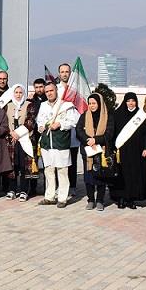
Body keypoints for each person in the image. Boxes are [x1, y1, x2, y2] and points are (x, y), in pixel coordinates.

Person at [36, 82, 77, 208]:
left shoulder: (66, 105)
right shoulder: (43, 105)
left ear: (56, 91)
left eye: (51, 90)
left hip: (60, 142)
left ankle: (62, 198)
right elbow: (39, 120)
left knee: (62, 171)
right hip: (47, 143)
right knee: (48, 170)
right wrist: (41, 127)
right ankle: (49, 196)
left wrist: (60, 124)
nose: (49, 93)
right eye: (47, 91)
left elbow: (73, 121)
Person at [109, 92, 146, 209]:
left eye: (133, 101)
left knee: (134, 175)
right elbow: (112, 133)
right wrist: (111, 148)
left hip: (137, 152)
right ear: (125, 102)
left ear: (136, 102)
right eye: (128, 101)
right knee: (121, 175)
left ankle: (131, 199)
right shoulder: (117, 115)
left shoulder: (142, 117)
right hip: (120, 152)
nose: (131, 103)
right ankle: (121, 198)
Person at [76, 93, 116, 211]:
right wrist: (88, 140)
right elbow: (78, 130)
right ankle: (90, 199)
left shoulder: (108, 117)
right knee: (88, 177)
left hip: (101, 151)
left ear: (100, 103)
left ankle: (100, 200)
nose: (92, 106)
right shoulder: (84, 116)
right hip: (87, 151)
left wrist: (96, 140)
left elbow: (109, 133)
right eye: (90, 103)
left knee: (101, 176)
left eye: (94, 103)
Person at [4, 84, 33, 201]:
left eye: (20, 92)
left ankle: (24, 190)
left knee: (24, 166)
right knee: (12, 165)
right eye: (16, 92)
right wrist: (11, 133)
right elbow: (4, 121)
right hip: (10, 140)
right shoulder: (8, 106)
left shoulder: (29, 105)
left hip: (24, 140)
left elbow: (30, 121)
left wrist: (18, 133)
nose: (18, 95)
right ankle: (12, 189)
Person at [57, 63, 80, 200]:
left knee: (72, 161)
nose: (65, 74)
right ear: (59, 73)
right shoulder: (57, 89)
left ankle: (72, 186)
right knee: (59, 161)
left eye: (67, 71)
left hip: (72, 132)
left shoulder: (76, 90)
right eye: (62, 71)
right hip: (59, 132)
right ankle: (59, 186)